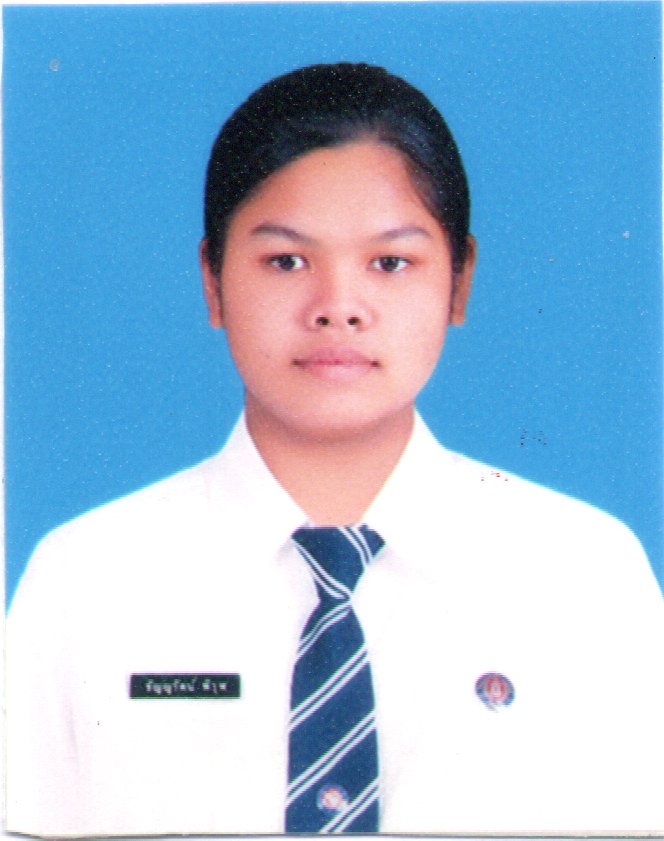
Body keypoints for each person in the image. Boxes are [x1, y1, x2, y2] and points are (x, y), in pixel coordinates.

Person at [5, 62, 663, 836]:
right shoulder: (86, 580)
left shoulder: (585, 575)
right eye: (286, 261)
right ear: (212, 281)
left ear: (459, 283)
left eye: (390, 263)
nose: (338, 307)